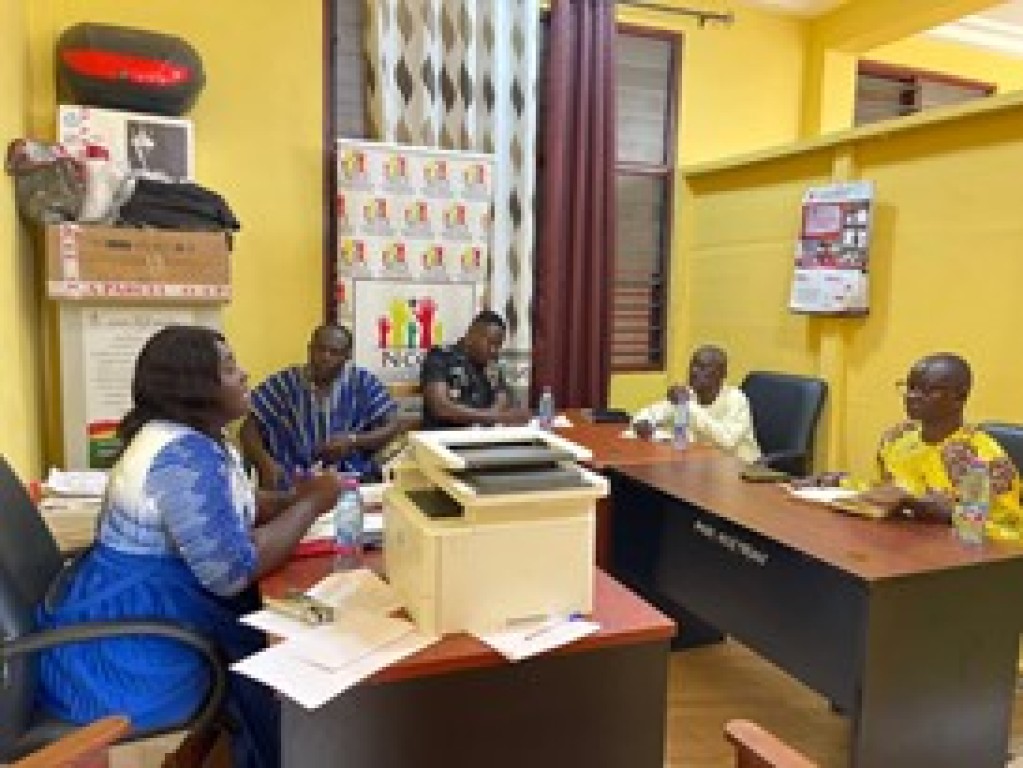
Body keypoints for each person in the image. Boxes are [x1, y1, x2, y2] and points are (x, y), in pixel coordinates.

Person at [36, 326, 344, 768]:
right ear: (195, 387)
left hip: (145, 604)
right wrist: (312, 504)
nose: (244, 374)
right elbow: (231, 571)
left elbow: (236, 504)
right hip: (132, 642)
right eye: (230, 368)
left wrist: (293, 499)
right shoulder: (180, 457)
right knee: (286, 657)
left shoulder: (195, 438)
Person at [803, 353, 1021, 539]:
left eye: (928, 390)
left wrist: (944, 513)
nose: (912, 396)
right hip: (900, 542)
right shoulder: (897, 438)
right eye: (910, 387)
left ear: (959, 397)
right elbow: (887, 491)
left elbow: (1009, 533)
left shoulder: (978, 458)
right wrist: (838, 482)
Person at [240, 324, 400, 489]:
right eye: (320, 349)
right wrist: (265, 464)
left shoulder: (363, 382)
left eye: (334, 352)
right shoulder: (284, 384)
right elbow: (248, 431)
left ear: (347, 356)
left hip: (351, 480)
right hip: (293, 483)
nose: (325, 357)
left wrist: (353, 441)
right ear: (309, 349)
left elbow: (393, 425)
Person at [632, 345, 761, 462]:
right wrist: (644, 422)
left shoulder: (736, 399)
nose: (694, 371)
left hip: (740, 468)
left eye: (702, 367)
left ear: (721, 374)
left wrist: (687, 405)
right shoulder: (688, 394)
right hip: (702, 464)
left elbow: (727, 441)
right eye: (692, 365)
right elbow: (652, 413)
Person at [420, 310, 531, 429]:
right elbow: (440, 407)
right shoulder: (440, 358)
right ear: (470, 336)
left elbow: (503, 395)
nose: (494, 350)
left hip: (481, 435)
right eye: (490, 343)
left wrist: (495, 414)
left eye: (498, 346)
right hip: (444, 435)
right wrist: (494, 417)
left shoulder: (489, 364)